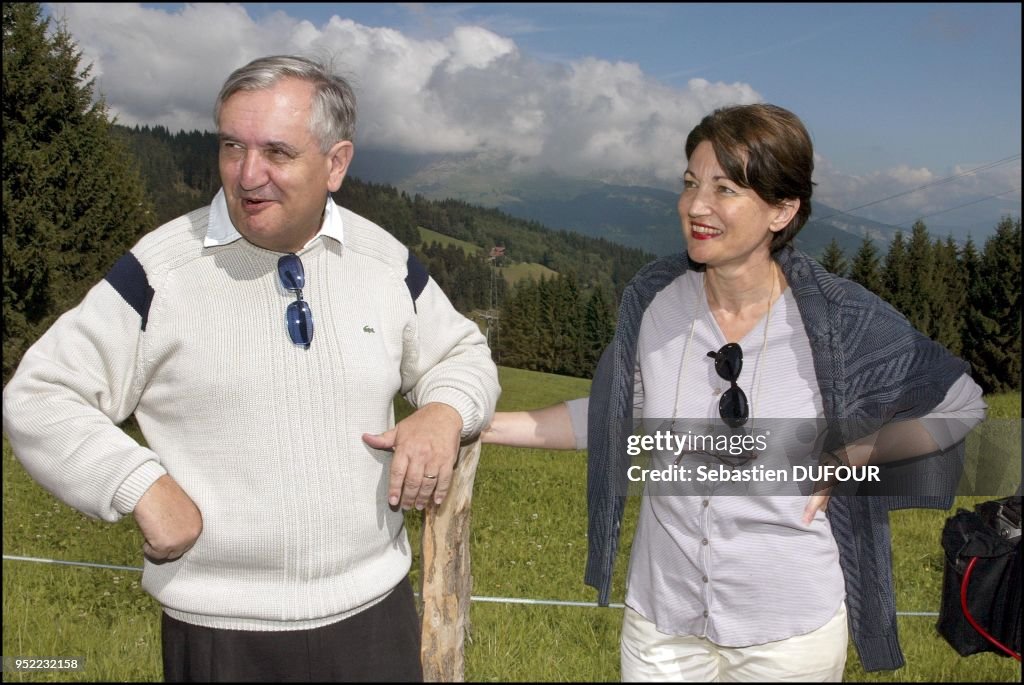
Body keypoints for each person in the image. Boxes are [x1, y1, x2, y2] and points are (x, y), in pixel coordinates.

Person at [2, 54, 500, 682]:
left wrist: (444, 409)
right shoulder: (160, 271)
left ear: (337, 164)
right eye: (231, 146)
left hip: (375, 622)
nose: (247, 174)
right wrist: (139, 485)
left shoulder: (385, 261)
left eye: (277, 153)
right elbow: (39, 393)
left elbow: (464, 352)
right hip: (220, 636)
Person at [482, 103, 986, 681]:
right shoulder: (654, 303)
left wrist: (861, 452)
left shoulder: (840, 320)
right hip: (661, 630)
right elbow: (618, 415)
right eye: (691, 184)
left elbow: (962, 402)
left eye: (725, 189)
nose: (696, 206)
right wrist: (479, 424)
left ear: (782, 210)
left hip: (788, 635)